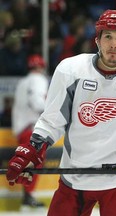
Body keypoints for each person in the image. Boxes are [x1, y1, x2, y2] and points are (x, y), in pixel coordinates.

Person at [6, 10, 116, 216]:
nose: (113, 44)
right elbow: (52, 121)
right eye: (108, 36)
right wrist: (33, 149)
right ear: (97, 40)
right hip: (74, 178)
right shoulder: (71, 70)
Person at [11, 54, 48, 210]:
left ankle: (27, 196)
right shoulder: (39, 79)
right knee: (34, 163)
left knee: (27, 163)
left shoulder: (22, 82)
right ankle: (28, 196)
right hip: (32, 129)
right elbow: (37, 103)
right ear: (41, 67)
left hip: (22, 128)